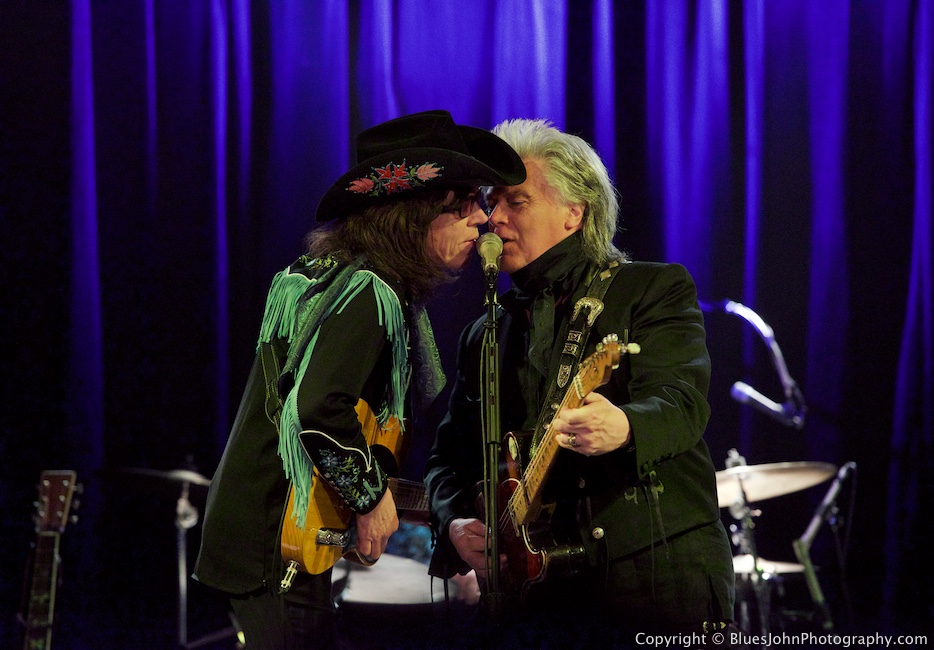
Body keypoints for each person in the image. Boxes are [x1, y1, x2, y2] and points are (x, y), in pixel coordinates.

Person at [193, 110, 526, 649]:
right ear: (416, 213)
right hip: (279, 544)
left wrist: (441, 517)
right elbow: (318, 408)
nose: (483, 221)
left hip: (268, 532)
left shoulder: (325, 274)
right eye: (465, 205)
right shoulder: (369, 292)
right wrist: (371, 499)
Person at [424, 118, 735, 647]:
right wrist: (455, 523)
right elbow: (448, 460)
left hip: (655, 577)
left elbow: (682, 403)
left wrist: (626, 426)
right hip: (540, 593)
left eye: (515, 201)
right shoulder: (486, 332)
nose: (491, 218)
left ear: (575, 212)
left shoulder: (651, 288)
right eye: (490, 202)